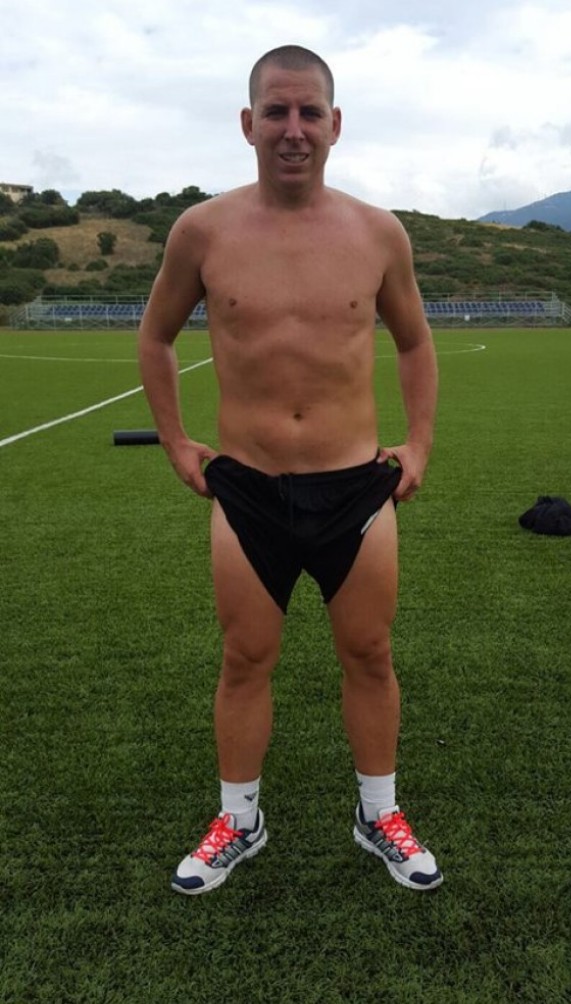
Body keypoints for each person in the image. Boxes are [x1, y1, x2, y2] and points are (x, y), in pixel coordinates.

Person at [138, 44, 441, 895]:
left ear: (335, 124)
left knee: (369, 653)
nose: (293, 129)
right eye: (276, 111)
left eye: (310, 112)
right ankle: (239, 820)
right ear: (248, 124)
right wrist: (175, 441)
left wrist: (418, 444)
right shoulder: (202, 231)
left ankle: (377, 812)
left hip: (355, 488)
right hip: (247, 488)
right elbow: (155, 337)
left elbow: (414, 342)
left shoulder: (377, 233)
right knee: (245, 658)